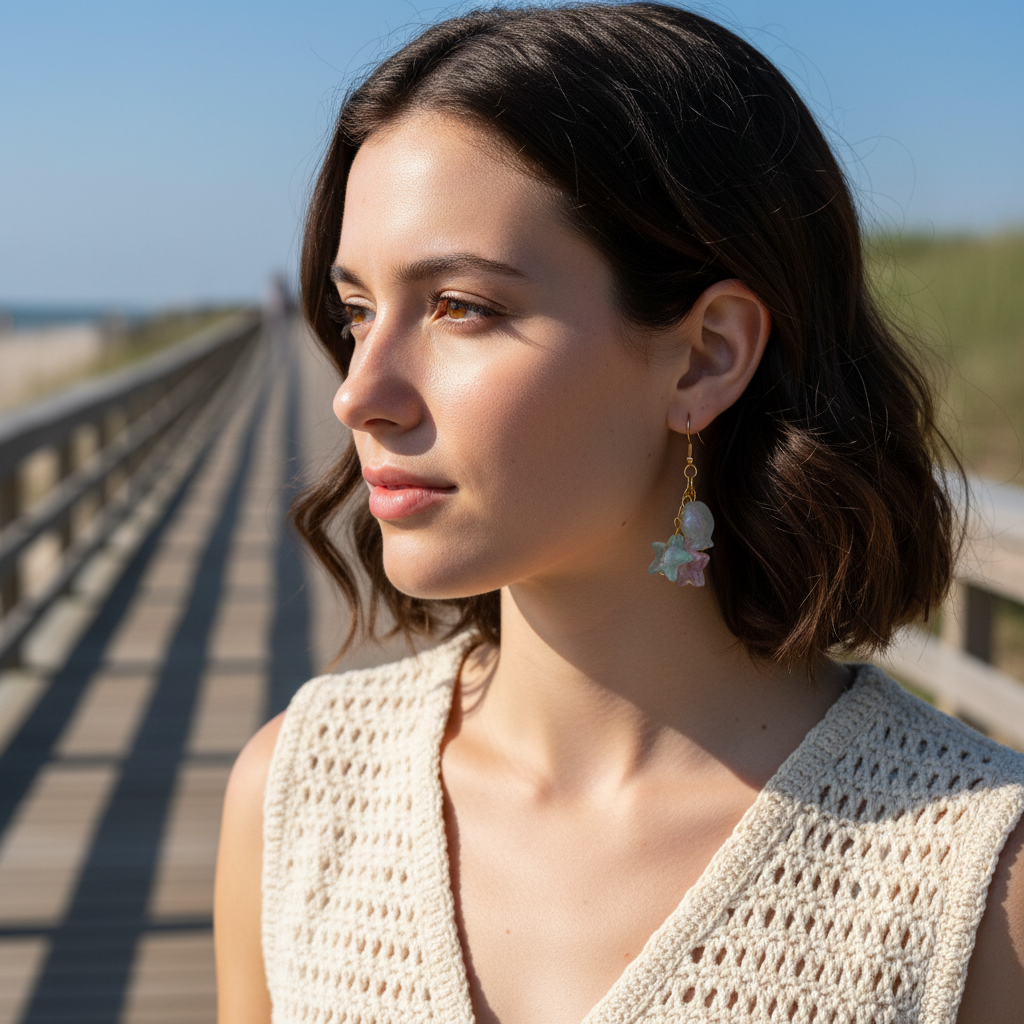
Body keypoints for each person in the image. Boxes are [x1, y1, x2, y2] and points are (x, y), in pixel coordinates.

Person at [213, 5, 1024, 1022]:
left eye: (460, 306)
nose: (358, 391)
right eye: (356, 311)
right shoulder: (296, 794)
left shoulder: (976, 874)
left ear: (706, 355)